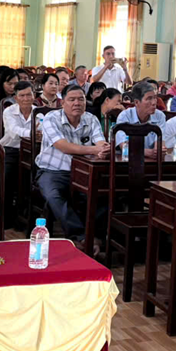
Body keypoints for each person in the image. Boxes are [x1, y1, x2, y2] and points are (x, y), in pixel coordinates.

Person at [35, 84, 109, 249]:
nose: (77, 103)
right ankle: (80, 236)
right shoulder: (51, 118)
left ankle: (96, 237)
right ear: (63, 103)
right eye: (72, 99)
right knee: (54, 196)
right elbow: (63, 146)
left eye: (81, 99)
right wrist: (94, 150)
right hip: (53, 171)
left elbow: (100, 141)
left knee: (104, 194)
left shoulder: (91, 119)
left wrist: (103, 148)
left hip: (84, 171)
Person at [0, 80, 35, 227]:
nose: (26, 99)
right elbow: (14, 132)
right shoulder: (9, 111)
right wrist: (33, 133)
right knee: (7, 178)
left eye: (29, 95)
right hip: (11, 149)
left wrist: (34, 134)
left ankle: (26, 216)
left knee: (32, 180)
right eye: (22, 95)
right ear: (16, 98)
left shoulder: (38, 112)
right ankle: (6, 218)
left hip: (32, 151)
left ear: (34, 95)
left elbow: (43, 130)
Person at [114, 81, 166, 157]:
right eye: (149, 99)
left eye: (155, 98)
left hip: (152, 161)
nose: (154, 103)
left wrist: (158, 150)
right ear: (136, 102)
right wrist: (146, 152)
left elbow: (159, 144)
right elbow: (124, 147)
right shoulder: (125, 116)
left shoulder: (160, 116)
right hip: (128, 160)